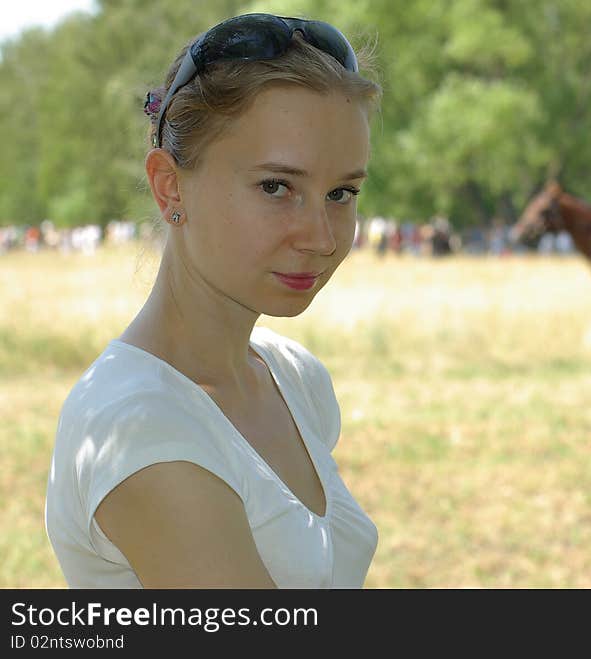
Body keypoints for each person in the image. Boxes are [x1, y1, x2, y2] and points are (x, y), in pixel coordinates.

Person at [44, 13, 381, 588]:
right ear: (169, 186)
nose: (323, 237)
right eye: (277, 187)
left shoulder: (292, 379)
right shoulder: (142, 431)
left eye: (341, 193)